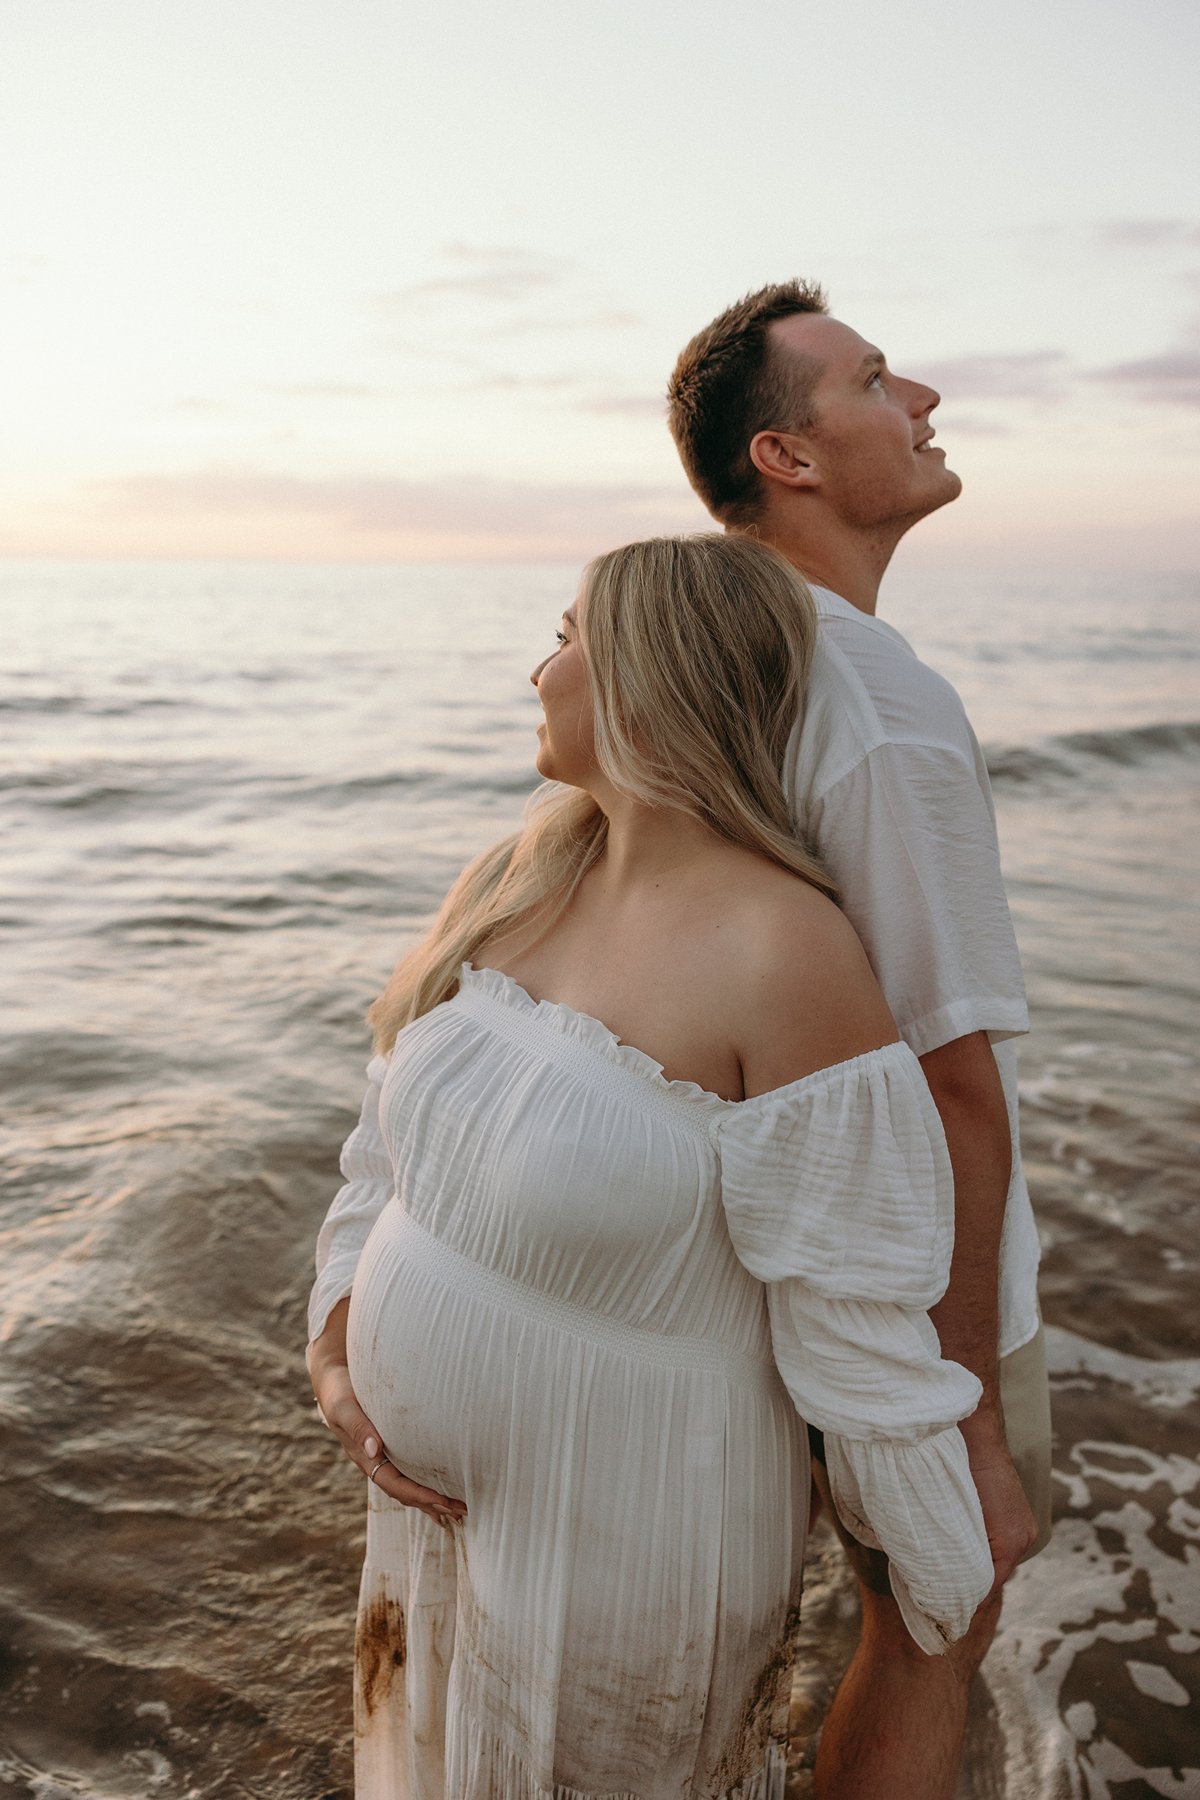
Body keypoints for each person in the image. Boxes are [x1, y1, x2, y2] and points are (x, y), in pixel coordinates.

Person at [307, 534, 996, 1800]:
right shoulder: (520, 877)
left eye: (566, 636)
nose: (538, 670)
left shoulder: (785, 953)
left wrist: (942, 1564)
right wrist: (338, 1337)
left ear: (643, 675)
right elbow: (384, 1141)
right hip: (429, 1517)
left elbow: (853, 1306)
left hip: (632, 1530)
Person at [667, 284, 1052, 1800]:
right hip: (891, 1283)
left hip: (748, 1247)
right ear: (792, 458)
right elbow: (952, 1075)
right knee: (938, 1622)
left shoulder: (709, 668)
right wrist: (968, 1418)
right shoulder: (878, 696)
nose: (927, 396)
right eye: (881, 380)